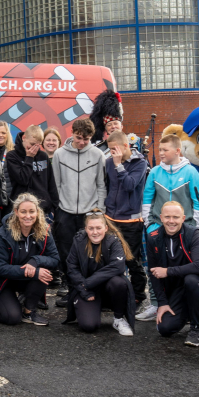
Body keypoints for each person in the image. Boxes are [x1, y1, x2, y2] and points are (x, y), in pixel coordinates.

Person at [138, 134, 199, 321]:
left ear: (177, 151)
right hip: (158, 227)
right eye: (159, 149)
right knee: (153, 266)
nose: (160, 153)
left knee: (182, 268)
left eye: (164, 150)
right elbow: (147, 199)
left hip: (183, 228)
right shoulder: (155, 172)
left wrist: (193, 227)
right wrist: (149, 224)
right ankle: (155, 303)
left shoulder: (191, 172)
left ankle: (184, 306)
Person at [0, 194, 59, 326]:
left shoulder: (44, 231)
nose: (28, 216)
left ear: (37, 212)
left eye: (31, 211)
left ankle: (28, 312)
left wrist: (35, 261)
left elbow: (55, 259)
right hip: (1, 280)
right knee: (12, 318)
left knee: (44, 273)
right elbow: (0, 268)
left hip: (22, 278)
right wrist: (32, 272)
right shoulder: (3, 233)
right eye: (23, 212)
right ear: (16, 212)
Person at [51, 119, 107, 306]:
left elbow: (101, 185)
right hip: (64, 211)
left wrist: (100, 210)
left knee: (90, 252)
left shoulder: (98, 154)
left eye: (86, 139)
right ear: (72, 133)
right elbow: (56, 184)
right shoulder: (59, 154)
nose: (82, 142)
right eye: (79, 138)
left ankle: (90, 288)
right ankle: (71, 288)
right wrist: (57, 208)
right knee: (66, 251)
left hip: (90, 212)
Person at [147, 202, 199, 346]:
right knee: (165, 329)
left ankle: (196, 328)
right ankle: (187, 312)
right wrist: (162, 303)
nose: (171, 221)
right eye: (167, 217)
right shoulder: (153, 237)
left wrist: (168, 271)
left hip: (198, 284)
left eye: (175, 217)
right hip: (175, 289)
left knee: (191, 280)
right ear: (161, 218)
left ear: (183, 218)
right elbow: (153, 273)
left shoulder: (193, 233)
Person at [63, 211, 135, 335]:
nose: (95, 232)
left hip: (105, 287)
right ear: (86, 229)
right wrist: (84, 289)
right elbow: (72, 267)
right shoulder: (79, 241)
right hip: (87, 290)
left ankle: (118, 318)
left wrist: (88, 282)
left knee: (118, 282)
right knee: (89, 325)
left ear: (106, 228)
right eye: (91, 228)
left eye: (98, 228)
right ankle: (88, 308)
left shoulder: (114, 241)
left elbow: (117, 267)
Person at [103, 131, 150, 310]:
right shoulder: (109, 162)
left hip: (131, 220)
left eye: (114, 149)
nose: (112, 153)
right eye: (110, 150)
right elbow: (108, 186)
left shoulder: (140, 163)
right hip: (110, 217)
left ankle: (138, 296)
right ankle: (114, 295)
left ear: (125, 146)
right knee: (111, 259)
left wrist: (119, 165)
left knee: (131, 259)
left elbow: (130, 185)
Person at [4, 124, 60, 213]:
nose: (35, 148)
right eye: (32, 144)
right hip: (22, 208)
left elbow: (51, 183)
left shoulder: (43, 156)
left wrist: (54, 208)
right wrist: (29, 157)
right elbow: (23, 179)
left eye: (38, 145)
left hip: (43, 208)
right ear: (24, 138)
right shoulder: (12, 156)